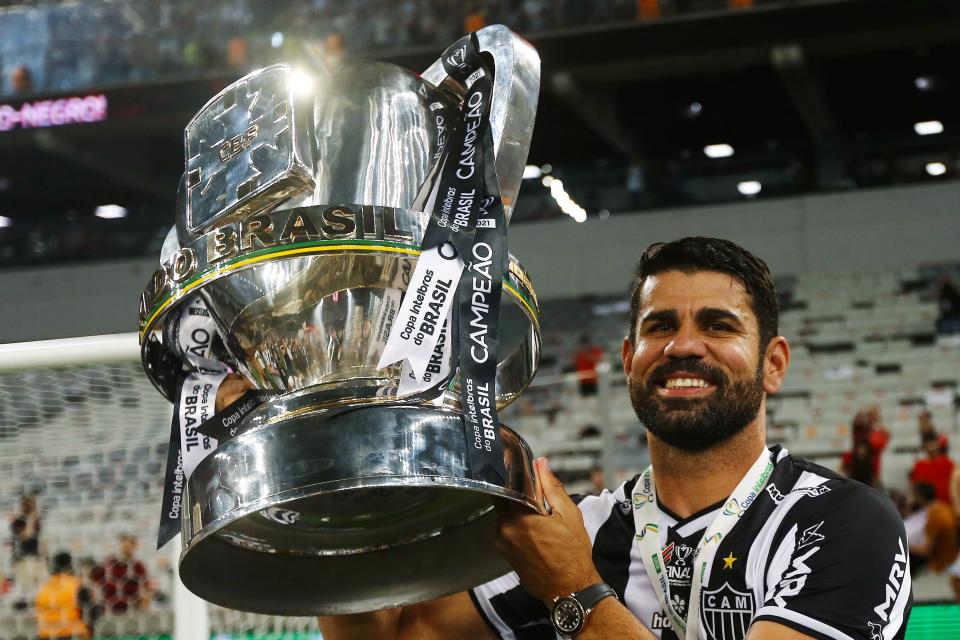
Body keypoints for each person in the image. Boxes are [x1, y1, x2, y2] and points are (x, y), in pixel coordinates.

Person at [318, 236, 912, 640]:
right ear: (630, 358)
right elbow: (395, 633)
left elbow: (568, 580)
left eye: (718, 325)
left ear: (774, 363)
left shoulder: (841, 522)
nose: (682, 346)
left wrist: (574, 592)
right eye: (660, 327)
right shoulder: (584, 528)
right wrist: (336, 484)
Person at [35, 552, 97, 640]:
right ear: (71, 565)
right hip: (71, 633)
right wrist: (90, 631)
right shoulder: (76, 585)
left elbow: (38, 613)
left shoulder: (44, 587)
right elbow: (92, 612)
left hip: (45, 635)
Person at [89, 534, 154, 613]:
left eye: (128, 547)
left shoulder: (138, 566)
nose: (125, 550)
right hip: (109, 608)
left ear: (135, 547)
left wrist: (143, 602)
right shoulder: (108, 563)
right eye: (123, 547)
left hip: (131, 608)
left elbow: (147, 588)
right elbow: (93, 580)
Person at [907, 483, 958, 575]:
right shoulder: (944, 508)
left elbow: (925, 551)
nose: (909, 499)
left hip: (941, 563)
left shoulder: (934, 517)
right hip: (950, 556)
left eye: (912, 495)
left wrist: (905, 546)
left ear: (919, 497)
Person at [9, 494, 44, 601]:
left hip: (36, 557)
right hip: (22, 559)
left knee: (41, 585)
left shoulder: (37, 521)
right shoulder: (17, 521)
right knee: (26, 588)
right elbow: (26, 536)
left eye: (33, 504)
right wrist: (30, 519)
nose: (31, 507)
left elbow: (38, 537)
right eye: (28, 504)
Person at [909, 431, 955, 506]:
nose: (931, 447)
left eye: (933, 443)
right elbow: (914, 484)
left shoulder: (948, 463)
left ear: (937, 444)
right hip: (927, 508)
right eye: (928, 444)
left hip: (946, 507)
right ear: (924, 446)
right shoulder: (919, 465)